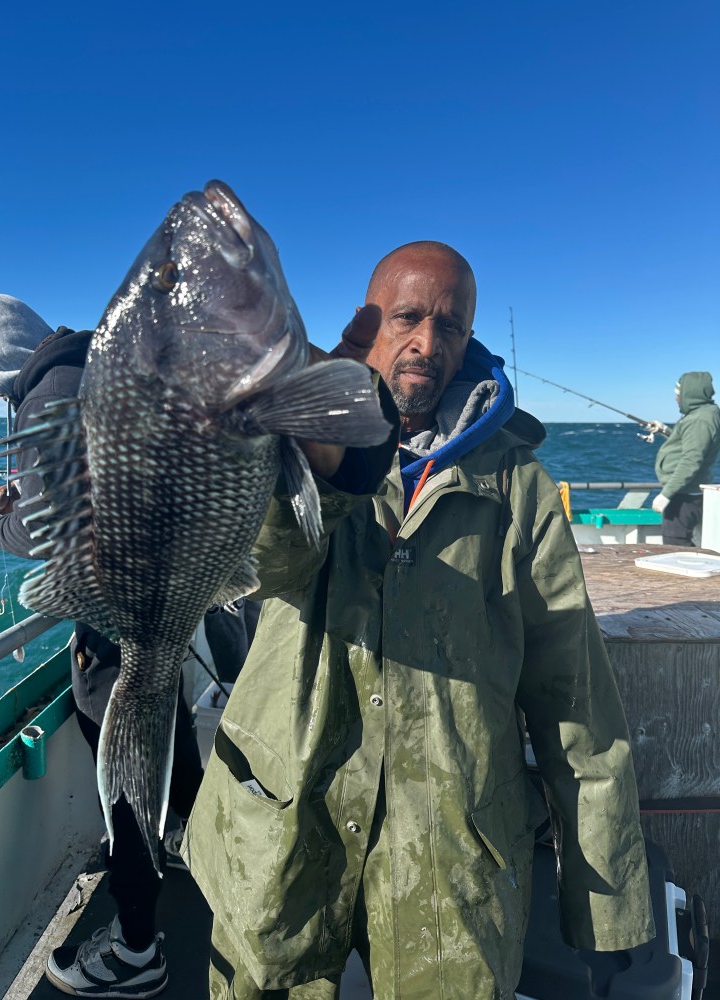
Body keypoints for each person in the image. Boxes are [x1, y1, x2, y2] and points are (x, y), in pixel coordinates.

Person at [183, 242, 655, 1000]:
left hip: (451, 850)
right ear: (368, 322)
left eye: (452, 326)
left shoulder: (519, 485)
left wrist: (607, 902)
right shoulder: (289, 437)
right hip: (282, 823)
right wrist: (324, 465)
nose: (427, 345)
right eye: (408, 318)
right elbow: (263, 568)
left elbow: (572, 692)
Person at [0, 291, 205, 999]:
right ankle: (188, 837)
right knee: (164, 730)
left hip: (116, 617)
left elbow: (51, 529)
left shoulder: (50, 392)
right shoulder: (97, 373)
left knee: (125, 768)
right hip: (160, 599)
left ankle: (136, 949)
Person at [651, 372, 720, 546]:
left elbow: (691, 459)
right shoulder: (704, 414)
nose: (676, 398)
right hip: (686, 492)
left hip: (684, 495)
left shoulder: (700, 420)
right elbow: (689, 443)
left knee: (676, 546)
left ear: (691, 393)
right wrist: (665, 430)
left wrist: (666, 494)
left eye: (679, 394)